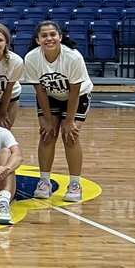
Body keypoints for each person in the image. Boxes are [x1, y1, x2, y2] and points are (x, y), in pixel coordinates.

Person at [23, 19, 94, 203]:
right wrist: (47, 119)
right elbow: (39, 90)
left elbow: (75, 91)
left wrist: (69, 121)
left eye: (53, 34)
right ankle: (44, 181)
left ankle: (75, 184)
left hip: (77, 95)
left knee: (71, 136)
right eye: (44, 35)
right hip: (50, 96)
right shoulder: (31, 58)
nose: (49, 38)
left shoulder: (73, 57)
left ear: (60, 37)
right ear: (38, 40)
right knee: (47, 134)